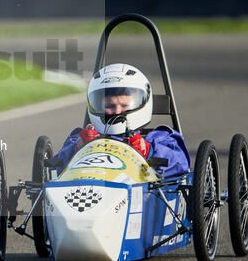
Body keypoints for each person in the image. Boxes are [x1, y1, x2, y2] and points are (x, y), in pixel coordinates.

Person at [50, 63, 190, 179]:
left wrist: (147, 152)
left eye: (124, 106)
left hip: (139, 198)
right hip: (92, 191)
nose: (117, 112)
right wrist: (79, 148)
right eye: (110, 106)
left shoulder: (159, 139)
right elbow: (56, 168)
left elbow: (180, 163)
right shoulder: (82, 138)